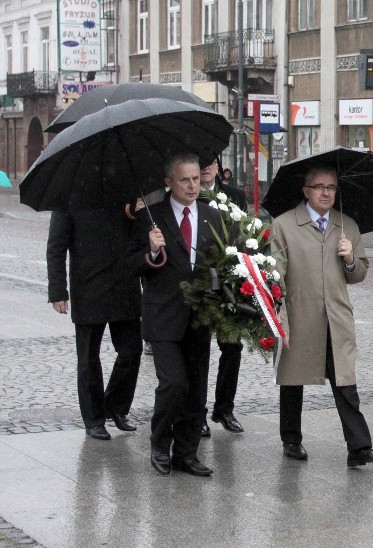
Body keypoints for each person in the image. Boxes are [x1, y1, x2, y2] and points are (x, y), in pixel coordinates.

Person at [270, 166, 373, 468]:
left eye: (332, 187)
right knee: (293, 378)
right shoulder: (285, 225)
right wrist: (279, 309)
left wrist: (350, 258)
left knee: (345, 381)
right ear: (306, 191)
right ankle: (291, 439)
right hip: (299, 314)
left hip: (336, 316)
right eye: (319, 187)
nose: (326, 193)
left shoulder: (346, 224)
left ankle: (359, 447)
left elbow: (359, 274)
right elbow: (276, 270)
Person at [128, 152, 221, 477]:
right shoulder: (151, 218)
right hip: (163, 316)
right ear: (169, 182)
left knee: (196, 390)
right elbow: (132, 265)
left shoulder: (213, 216)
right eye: (185, 179)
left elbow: (222, 262)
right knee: (173, 384)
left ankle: (186, 453)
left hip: (200, 317)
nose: (193, 185)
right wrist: (151, 251)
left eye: (196, 178)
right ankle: (159, 443)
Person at [47, 208, 142, 440]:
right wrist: (58, 291)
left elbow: (142, 237)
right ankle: (94, 418)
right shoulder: (68, 196)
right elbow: (56, 246)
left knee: (132, 351)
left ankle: (116, 406)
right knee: (89, 357)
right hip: (88, 286)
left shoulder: (125, 188)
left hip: (125, 284)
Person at [198, 159, 248, 437]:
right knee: (200, 350)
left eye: (210, 162)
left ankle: (224, 408)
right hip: (200, 283)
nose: (205, 168)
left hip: (229, 280)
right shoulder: (187, 196)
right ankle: (198, 412)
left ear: (218, 166)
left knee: (232, 347)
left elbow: (242, 235)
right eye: (199, 162)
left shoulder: (235, 196)